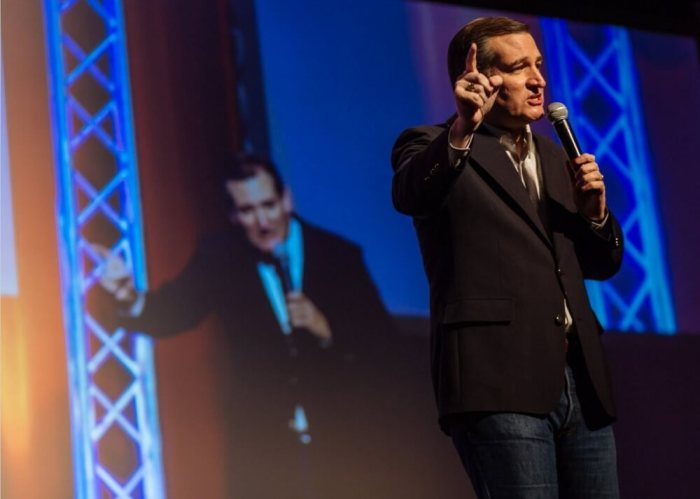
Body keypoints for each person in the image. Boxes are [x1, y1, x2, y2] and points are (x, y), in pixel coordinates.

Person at [391, 17, 624, 499]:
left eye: (539, 64)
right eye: (520, 68)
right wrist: (461, 129)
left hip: (581, 382)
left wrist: (596, 216)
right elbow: (412, 194)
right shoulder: (432, 143)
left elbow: (601, 266)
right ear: (479, 78)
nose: (539, 79)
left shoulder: (560, 156)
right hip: (498, 381)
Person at [98, 153, 395, 496]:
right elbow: (173, 311)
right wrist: (126, 296)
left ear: (287, 199)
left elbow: (384, 349)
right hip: (263, 452)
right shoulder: (220, 258)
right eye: (248, 211)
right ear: (233, 215)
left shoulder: (338, 256)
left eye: (269, 205)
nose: (263, 221)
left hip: (343, 447)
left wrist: (326, 330)